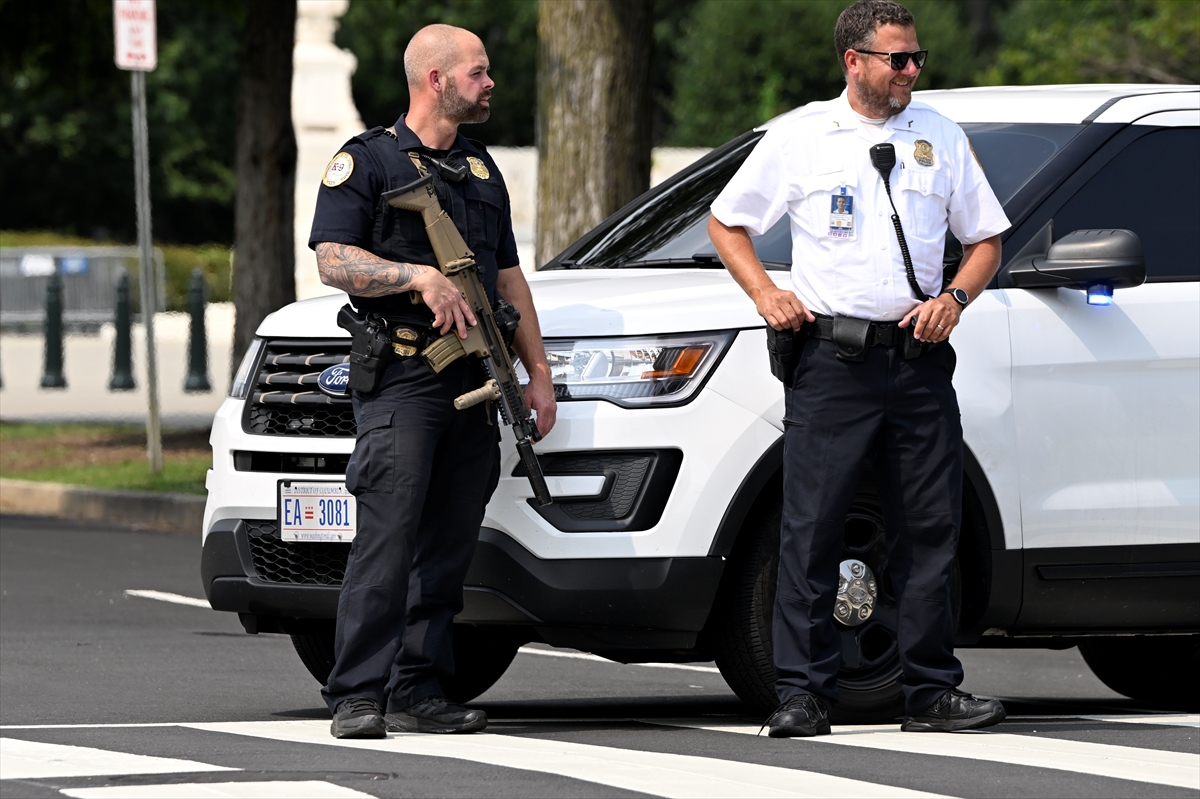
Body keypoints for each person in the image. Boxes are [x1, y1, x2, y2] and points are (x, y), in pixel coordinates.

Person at [708, 0, 1009, 737]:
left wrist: (955, 298)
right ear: (854, 61)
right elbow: (727, 220)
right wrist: (766, 293)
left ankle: (931, 691)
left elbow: (986, 240)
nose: (911, 71)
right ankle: (804, 693)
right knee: (812, 528)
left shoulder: (939, 135)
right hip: (832, 361)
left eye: (917, 58)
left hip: (918, 361)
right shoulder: (803, 135)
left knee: (929, 528)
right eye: (897, 59)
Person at [309, 23, 556, 739]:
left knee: (447, 546)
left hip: (474, 378)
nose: (490, 83)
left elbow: (507, 278)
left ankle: (419, 687)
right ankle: (358, 693)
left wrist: (537, 372)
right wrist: (415, 276)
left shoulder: (481, 169)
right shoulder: (368, 162)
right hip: (403, 378)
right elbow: (331, 259)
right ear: (435, 79)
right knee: (387, 539)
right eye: (477, 72)